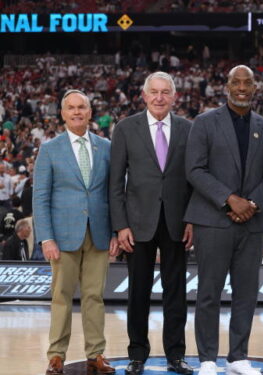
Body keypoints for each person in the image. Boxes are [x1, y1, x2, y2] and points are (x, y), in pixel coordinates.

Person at [185, 65, 263, 375]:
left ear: (255, 87)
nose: (241, 87)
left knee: (246, 293)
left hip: (251, 222)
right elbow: (194, 170)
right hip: (212, 220)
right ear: (226, 86)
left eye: (247, 82)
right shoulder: (205, 122)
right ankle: (207, 358)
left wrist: (251, 202)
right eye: (235, 82)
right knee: (209, 292)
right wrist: (229, 199)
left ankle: (238, 357)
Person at [109, 72, 194, 375]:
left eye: (165, 92)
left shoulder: (188, 129)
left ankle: (176, 353)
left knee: (176, 292)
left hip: (176, 222)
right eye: (154, 92)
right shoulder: (125, 129)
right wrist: (120, 226)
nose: (159, 97)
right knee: (138, 292)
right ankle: (136, 354)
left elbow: (194, 180)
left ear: (174, 97)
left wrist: (191, 220)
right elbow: (115, 182)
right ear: (143, 96)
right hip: (137, 223)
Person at [33, 90, 119, 375]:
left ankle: (96, 354)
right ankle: (56, 355)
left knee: (95, 296)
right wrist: (46, 237)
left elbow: (113, 193)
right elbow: (41, 197)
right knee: (61, 297)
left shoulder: (106, 147)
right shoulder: (49, 149)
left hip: (99, 233)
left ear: (90, 112)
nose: (77, 112)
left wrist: (116, 232)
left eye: (82, 107)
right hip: (62, 236)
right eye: (71, 108)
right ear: (63, 114)